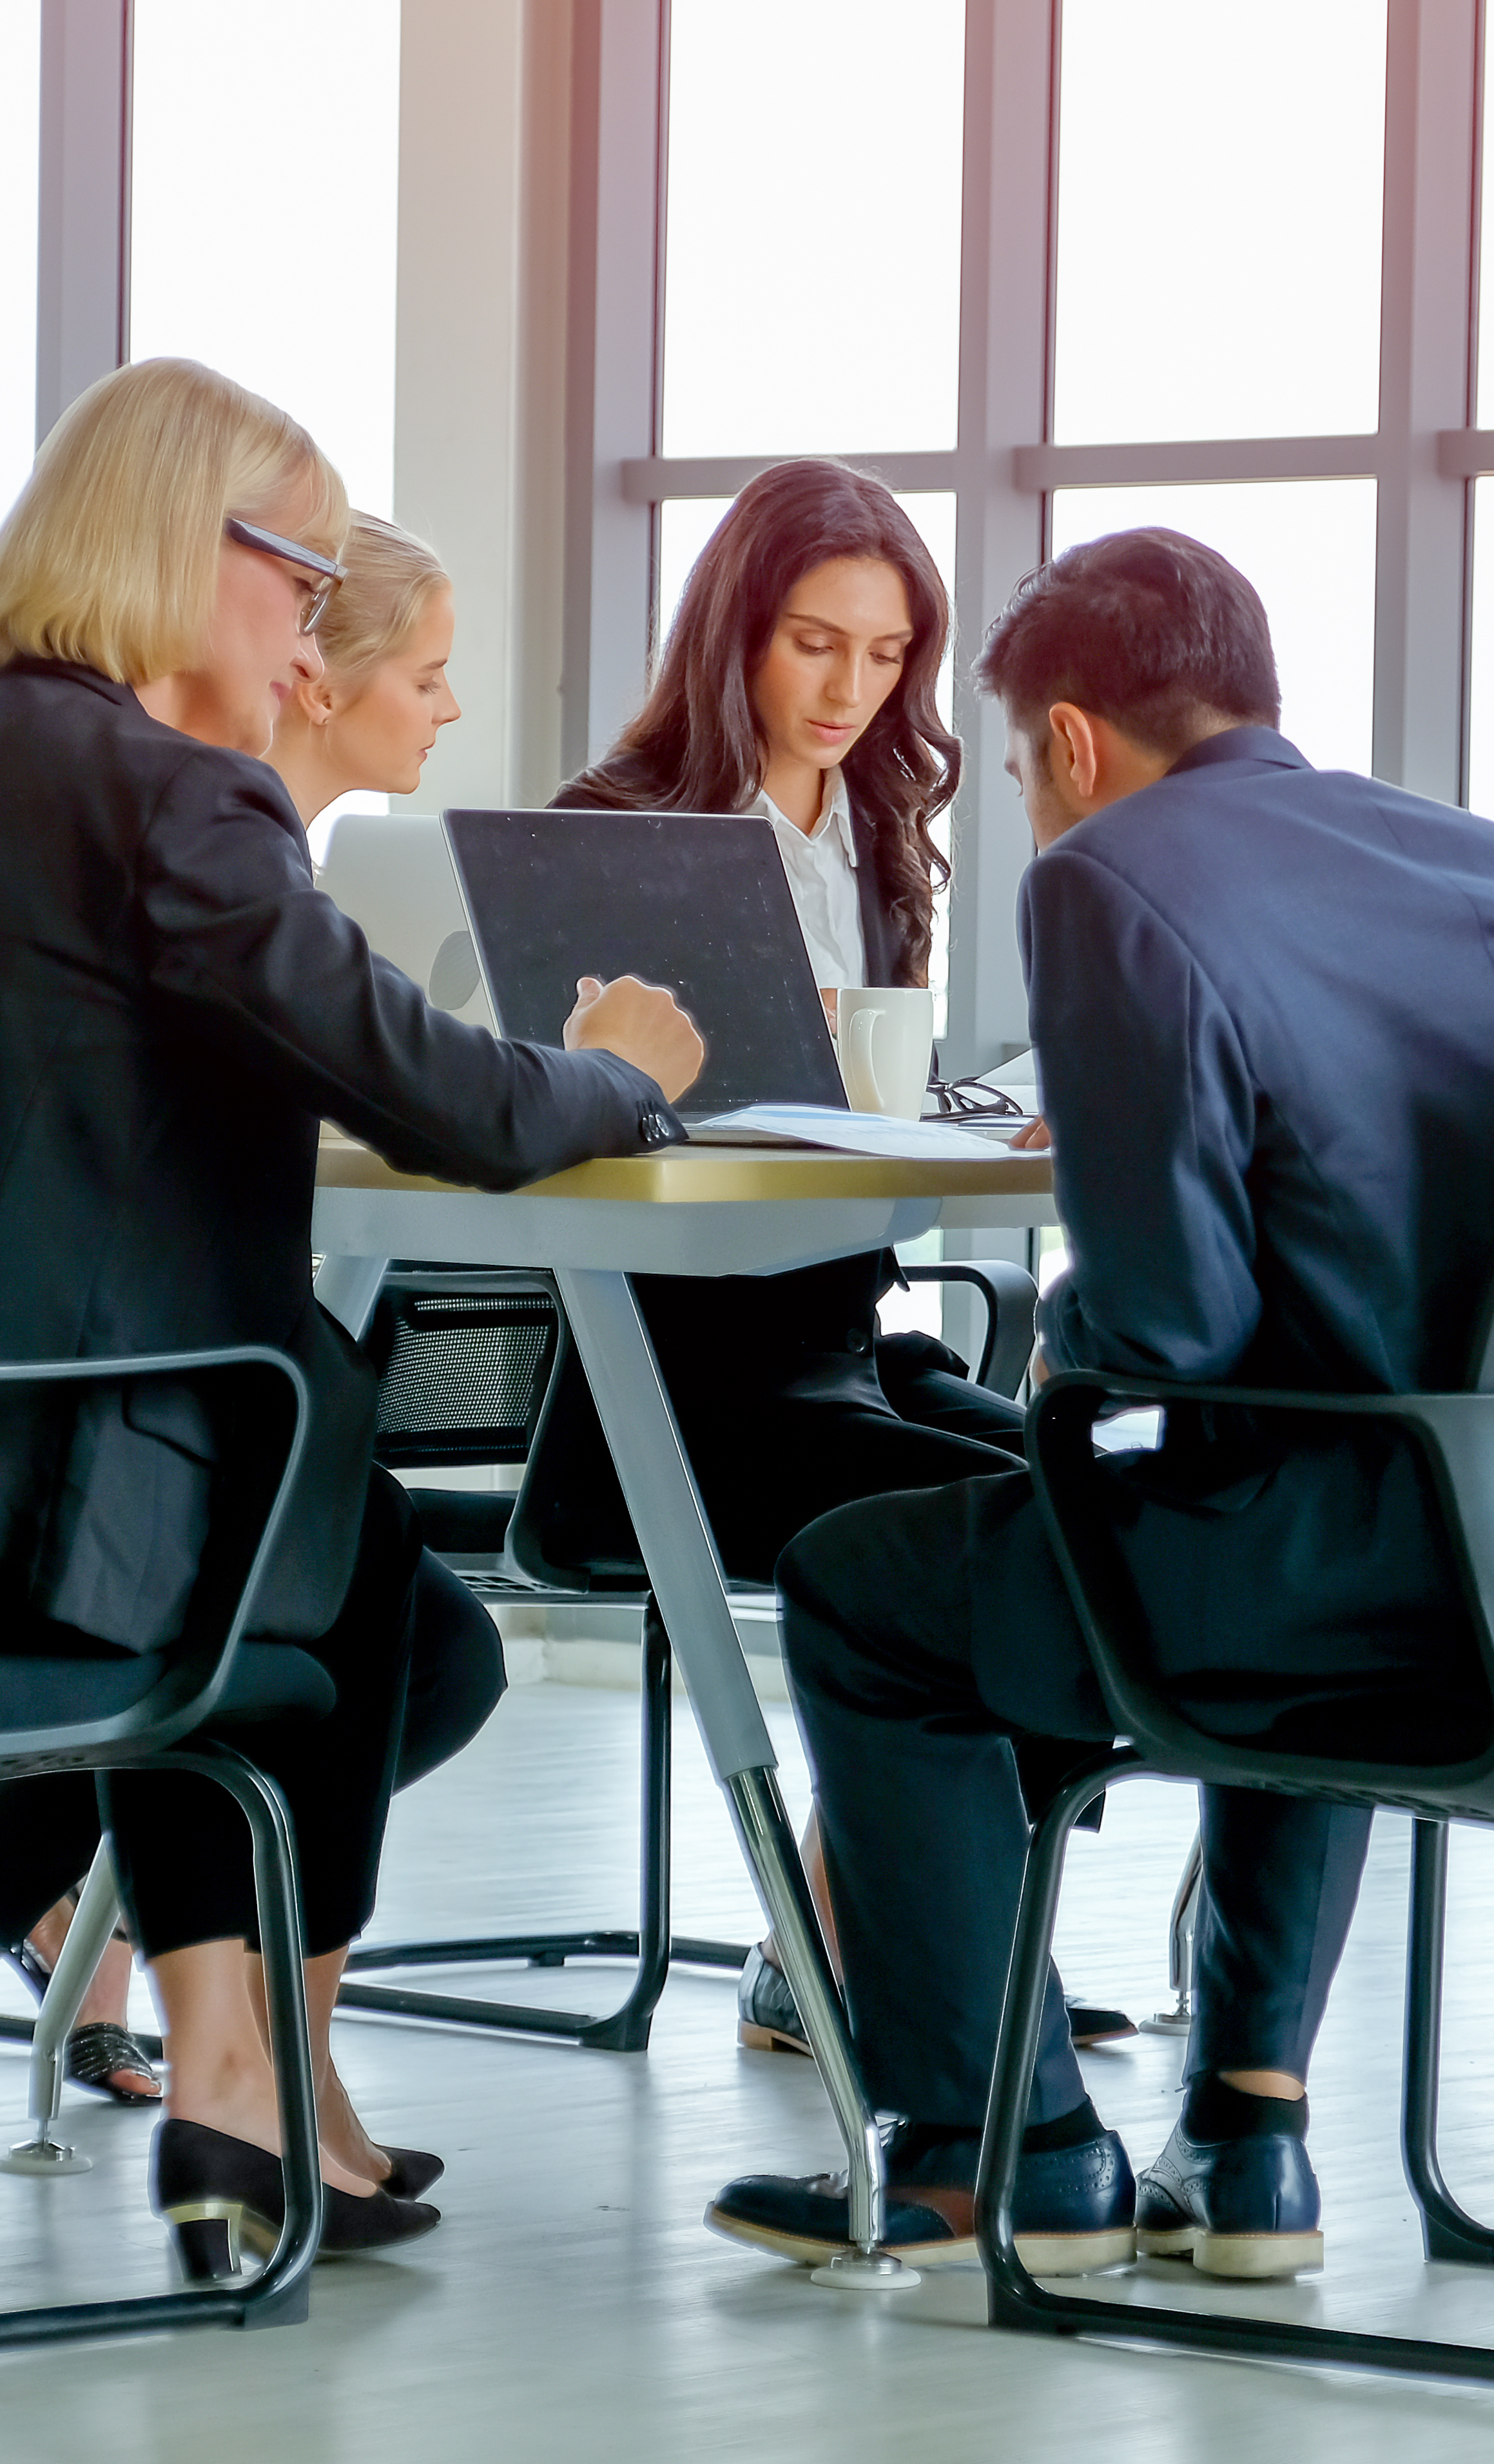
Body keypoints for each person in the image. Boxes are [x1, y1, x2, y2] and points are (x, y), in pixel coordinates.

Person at [0, 356, 707, 2266]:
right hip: (69, 1521)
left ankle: (223, 2062)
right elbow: (464, 1108)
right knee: (314, 1464)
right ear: (197, 558)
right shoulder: (175, 802)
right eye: (300, 572)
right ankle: (230, 2087)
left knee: (390, 1601)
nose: (307, 633)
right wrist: (614, 1068)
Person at [703, 528, 1494, 2280]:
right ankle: (1250, 2136)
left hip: (1309, 1571)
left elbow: (1170, 1333)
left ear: (1065, 742)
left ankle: (1006, 2150)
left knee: (863, 1586)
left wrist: (1064, 1330)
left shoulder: (1108, 876)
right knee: (1310, 1483)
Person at [0, 515, 492, 2135]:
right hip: (25, 1433)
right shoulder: (183, 831)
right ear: (308, 670)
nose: (448, 710)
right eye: (428, 673)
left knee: (389, 1628)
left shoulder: (213, 846)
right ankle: (265, 2078)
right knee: (352, 1591)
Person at [544, 457, 1127, 2055]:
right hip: (675, 1379)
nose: (851, 693)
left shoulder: (875, 826)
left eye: (885, 658)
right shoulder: (612, 830)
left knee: (1105, 1509)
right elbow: (586, 1127)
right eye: (815, 644)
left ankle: (853, 1938)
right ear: (734, 629)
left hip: (840, 1343)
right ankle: (887, 1957)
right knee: (1015, 1542)